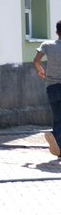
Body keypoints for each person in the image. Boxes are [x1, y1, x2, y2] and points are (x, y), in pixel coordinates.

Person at [33, 19, 61, 157]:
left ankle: (59, 149)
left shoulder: (48, 45)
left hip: (51, 87)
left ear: (57, 32)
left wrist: (40, 70)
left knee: (57, 116)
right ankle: (54, 135)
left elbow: (36, 60)